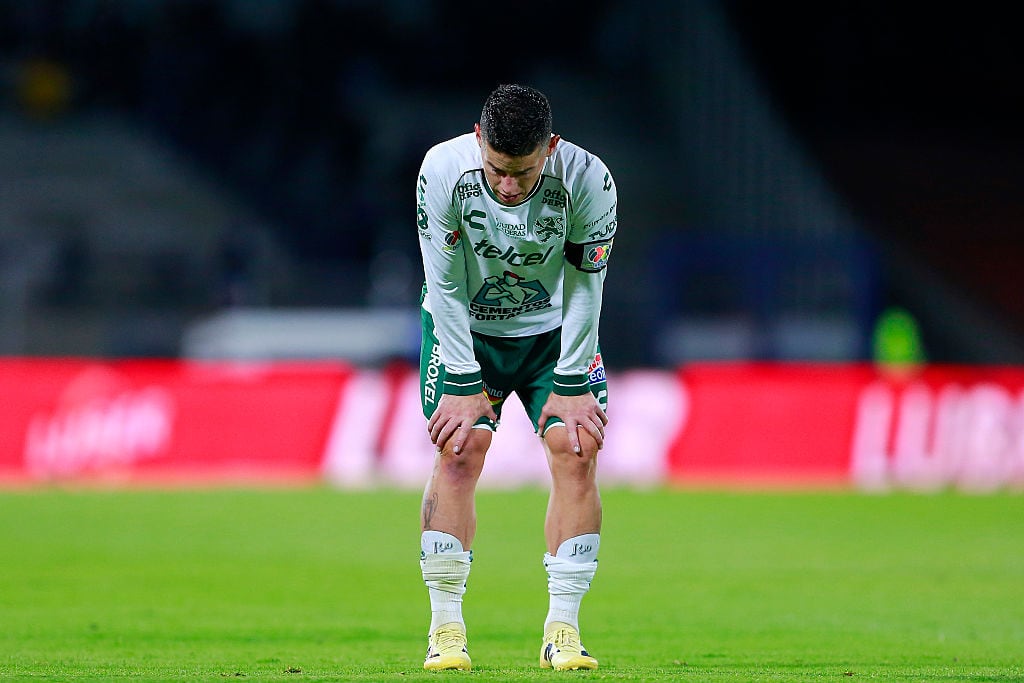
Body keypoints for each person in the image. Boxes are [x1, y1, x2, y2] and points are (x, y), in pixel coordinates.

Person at [415, 83, 617, 671]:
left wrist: (574, 381)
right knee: (460, 449)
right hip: (467, 328)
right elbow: (445, 282)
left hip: (553, 332)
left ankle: (564, 630)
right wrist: (460, 377)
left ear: (550, 149)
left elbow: (587, 286)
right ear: (479, 141)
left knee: (577, 449)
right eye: (498, 171)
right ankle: (445, 629)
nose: (508, 187)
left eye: (523, 173)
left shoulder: (590, 181)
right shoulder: (442, 170)